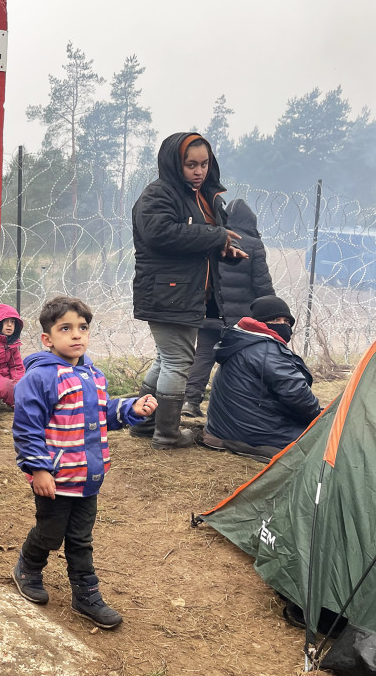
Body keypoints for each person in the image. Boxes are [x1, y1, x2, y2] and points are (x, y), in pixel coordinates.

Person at [10, 295, 156, 629]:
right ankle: (28, 568)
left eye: (83, 327)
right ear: (48, 339)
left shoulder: (94, 375)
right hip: (56, 479)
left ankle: (86, 595)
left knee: (80, 539)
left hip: (89, 477)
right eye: (66, 328)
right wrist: (39, 469)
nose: (77, 335)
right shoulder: (40, 379)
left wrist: (130, 408)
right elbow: (27, 428)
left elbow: (102, 414)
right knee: (50, 533)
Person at [131, 132, 247, 449]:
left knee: (166, 358)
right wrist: (214, 236)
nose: (199, 171)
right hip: (169, 292)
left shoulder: (199, 196)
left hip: (187, 292)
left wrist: (224, 250)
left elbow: (197, 241)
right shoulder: (159, 194)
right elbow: (160, 233)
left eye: (204, 164)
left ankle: (143, 422)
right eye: (190, 164)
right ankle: (167, 434)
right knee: (178, 361)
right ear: (174, 163)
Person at [182, 198, 275, 417]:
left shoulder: (216, 238)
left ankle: (190, 402)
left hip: (211, 310)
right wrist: (273, 312)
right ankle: (233, 405)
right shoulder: (253, 244)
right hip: (241, 319)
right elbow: (262, 283)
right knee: (239, 360)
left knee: (203, 355)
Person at [203, 295, 321, 462]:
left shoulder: (243, 343)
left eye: (287, 321)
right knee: (326, 438)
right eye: (276, 320)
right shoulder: (266, 350)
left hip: (224, 426)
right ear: (261, 322)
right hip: (253, 431)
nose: (283, 325)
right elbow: (298, 396)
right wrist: (321, 419)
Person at [0, 302, 25, 408]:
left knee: (23, 384)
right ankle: (18, 404)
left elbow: (16, 366)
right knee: (6, 386)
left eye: (12, 322)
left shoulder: (12, 344)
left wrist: (19, 382)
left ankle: (19, 399)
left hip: (7, 377)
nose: (9, 325)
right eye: (6, 322)